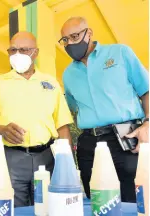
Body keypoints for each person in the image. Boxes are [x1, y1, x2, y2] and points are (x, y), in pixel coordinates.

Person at [59, 17, 149, 203]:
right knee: (98, 202)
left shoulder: (120, 53)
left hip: (126, 137)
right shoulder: (68, 74)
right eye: (65, 40)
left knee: (133, 200)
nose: (70, 43)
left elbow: (146, 90)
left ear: (89, 33)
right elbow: (72, 108)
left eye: (74, 36)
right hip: (88, 144)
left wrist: (148, 123)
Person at [0, 31, 73, 207]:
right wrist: (1, 129)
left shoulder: (51, 83)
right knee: (12, 208)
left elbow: (62, 126)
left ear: (36, 52)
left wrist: (68, 165)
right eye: (13, 50)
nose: (17, 55)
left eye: (24, 50)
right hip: (12, 158)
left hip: (46, 157)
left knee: (48, 208)